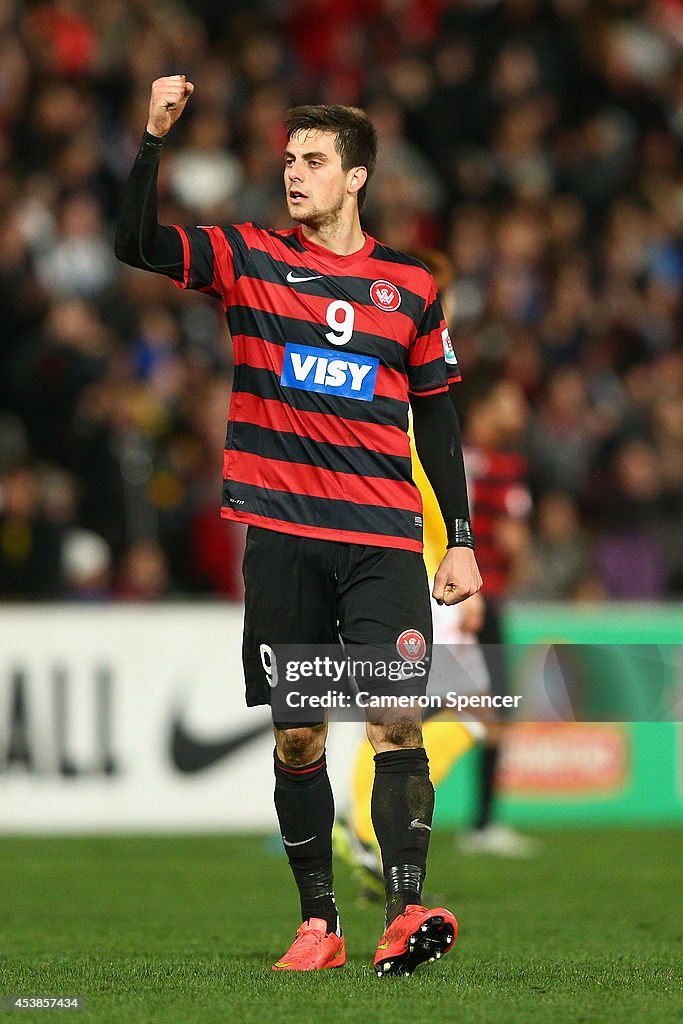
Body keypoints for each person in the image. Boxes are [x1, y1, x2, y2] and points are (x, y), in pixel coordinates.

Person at [115, 75, 482, 976]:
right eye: (287, 161)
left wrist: (462, 536)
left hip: (384, 539)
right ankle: (319, 925)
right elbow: (137, 243)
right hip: (281, 537)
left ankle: (404, 911)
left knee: (396, 719)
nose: (294, 174)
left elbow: (434, 416)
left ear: (356, 177)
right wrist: (154, 139)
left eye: (313, 161)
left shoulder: (409, 285)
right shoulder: (248, 257)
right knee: (299, 736)